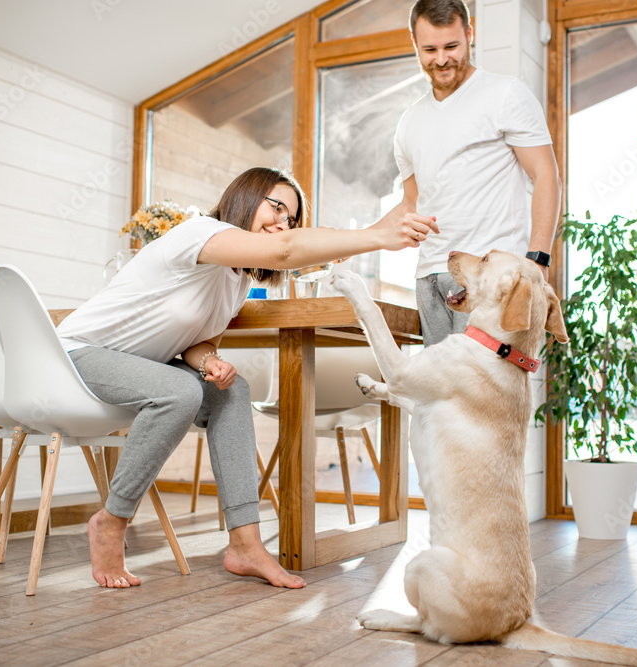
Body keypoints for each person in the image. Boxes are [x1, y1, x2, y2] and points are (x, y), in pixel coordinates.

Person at [56, 166, 438, 590]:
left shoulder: (235, 281)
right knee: (179, 390)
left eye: (291, 219)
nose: (282, 223)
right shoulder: (199, 232)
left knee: (231, 390)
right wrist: (379, 237)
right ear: (245, 196)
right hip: (75, 355)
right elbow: (286, 251)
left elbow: (198, 344)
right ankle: (111, 521)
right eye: (276, 207)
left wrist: (209, 363)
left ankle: (245, 544)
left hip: (144, 369)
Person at [382, 0, 562, 346]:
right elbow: (411, 205)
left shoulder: (505, 95)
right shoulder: (409, 122)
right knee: (440, 398)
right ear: (414, 44)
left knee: (486, 395)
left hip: (490, 278)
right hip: (429, 277)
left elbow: (546, 176)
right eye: (430, 49)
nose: (441, 59)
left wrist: (537, 261)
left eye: (451, 46)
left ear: (469, 34)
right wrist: (351, 243)